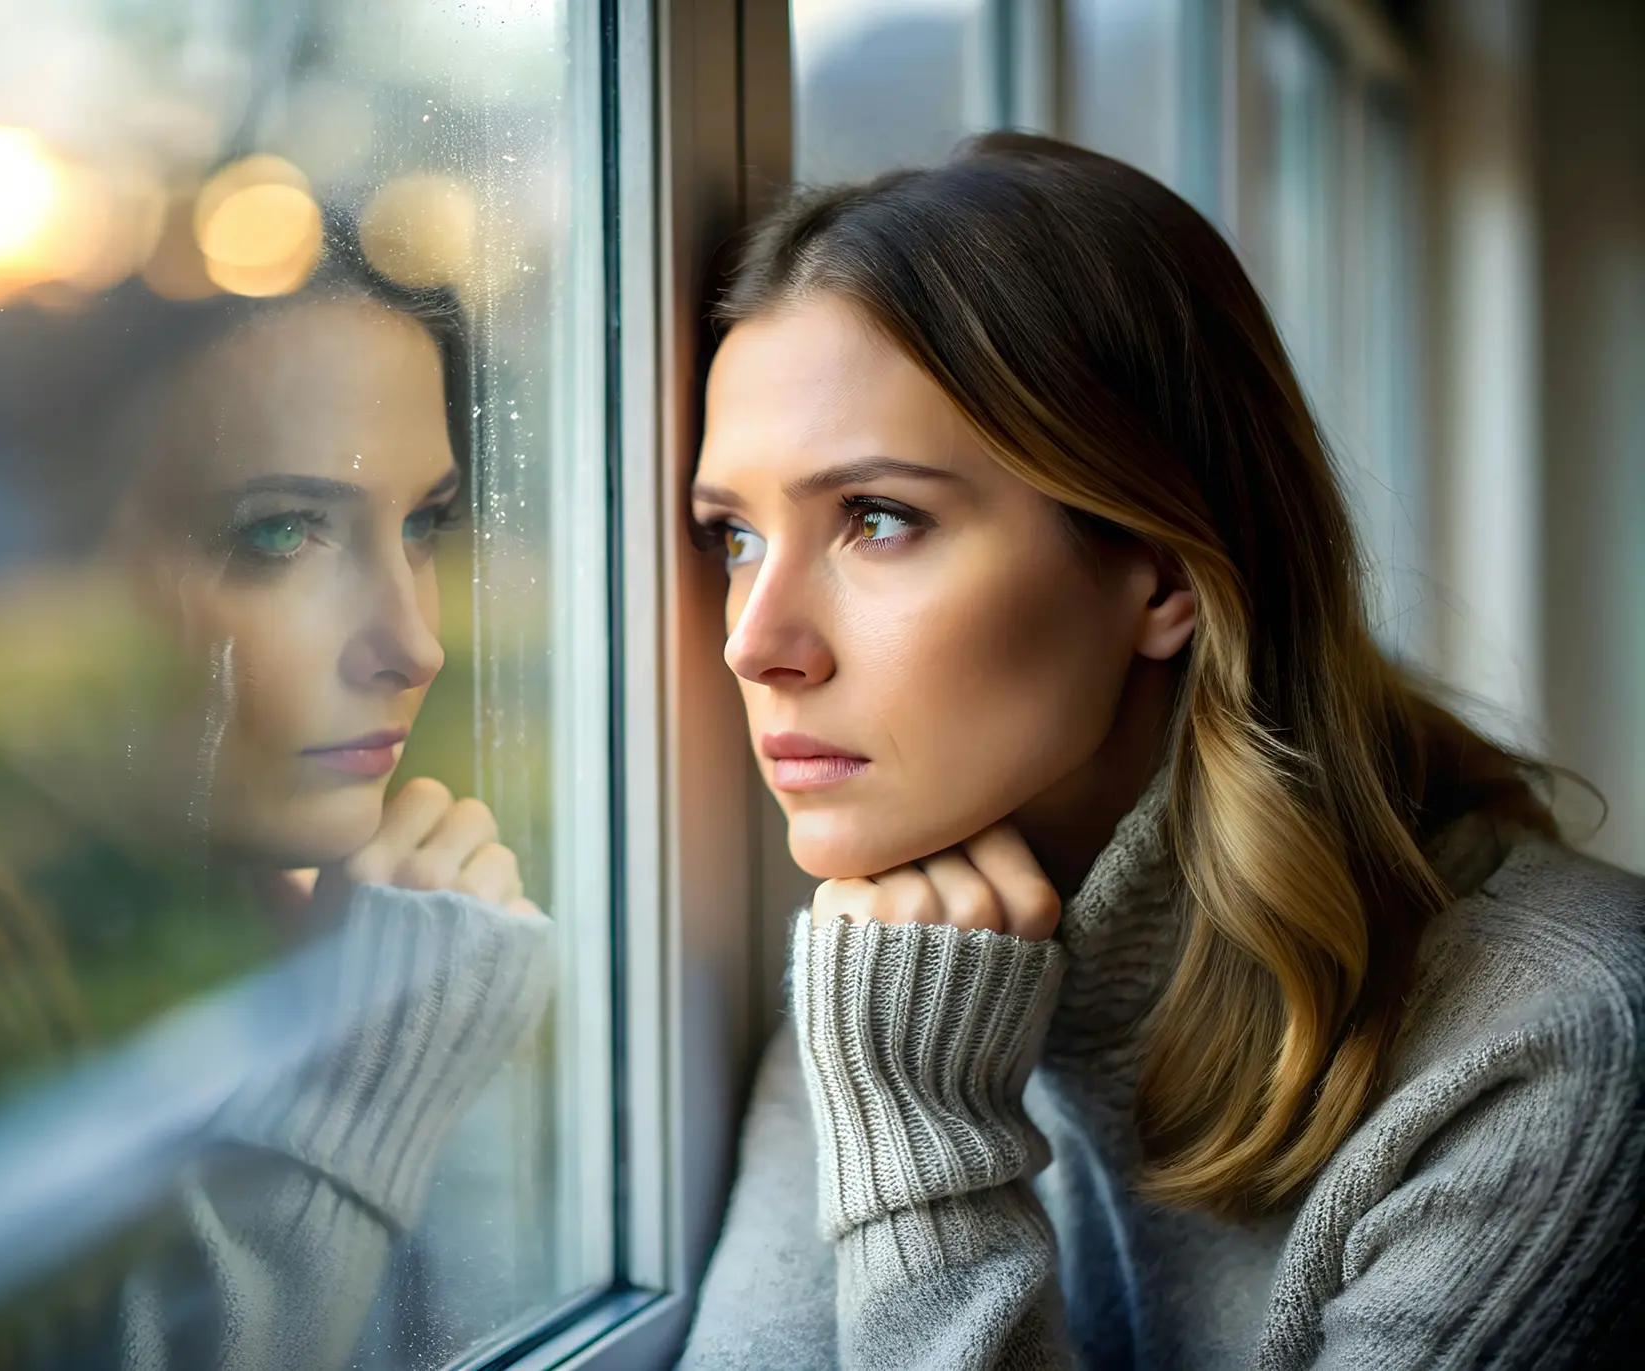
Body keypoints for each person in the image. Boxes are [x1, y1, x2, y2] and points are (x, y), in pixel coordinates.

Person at [678, 133, 1644, 1369]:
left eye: (878, 518)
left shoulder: (1559, 1035)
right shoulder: (896, 976)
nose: (753, 645)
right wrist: (903, 1089)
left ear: (1165, 572)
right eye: (734, 538)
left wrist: (924, 1153)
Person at [0, 240, 554, 1370]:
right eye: (281, 533)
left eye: (423, 526)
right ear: (59, 573)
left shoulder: (278, 919)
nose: (415, 644)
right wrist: (356, 1110)